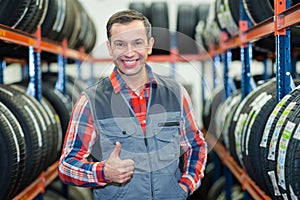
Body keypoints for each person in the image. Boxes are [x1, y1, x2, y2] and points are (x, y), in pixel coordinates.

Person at [58, 9, 207, 200]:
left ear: (149, 45)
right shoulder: (91, 101)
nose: (129, 53)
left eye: (137, 43)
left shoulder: (176, 93)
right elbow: (67, 166)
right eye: (120, 44)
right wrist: (103, 172)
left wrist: (185, 186)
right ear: (110, 48)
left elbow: (196, 145)